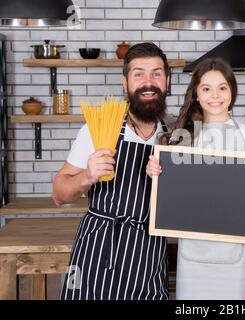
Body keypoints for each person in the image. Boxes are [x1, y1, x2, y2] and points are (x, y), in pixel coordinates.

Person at [53, 42, 176, 300]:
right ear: (125, 82)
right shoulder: (99, 128)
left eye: (156, 73)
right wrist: (87, 176)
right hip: (98, 250)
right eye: (138, 73)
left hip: (149, 253)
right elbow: (59, 193)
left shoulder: (175, 133)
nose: (148, 81)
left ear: (166, 81)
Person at [148, 58, 245, 299]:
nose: (214, 95)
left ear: (232, 91)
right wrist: (155, 170)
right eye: (206, 88)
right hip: (193, 254)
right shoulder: (182, 136)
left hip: (235, 253)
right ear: (196, 94)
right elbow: (171, 191)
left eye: (222, 87)